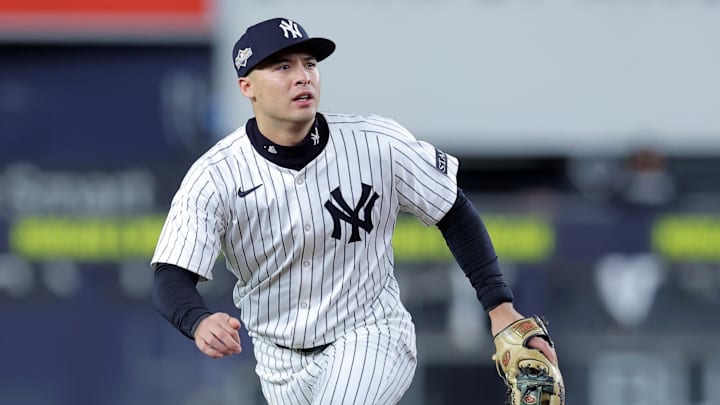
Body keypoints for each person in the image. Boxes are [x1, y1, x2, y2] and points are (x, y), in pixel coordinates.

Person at [151, 17, 558, 405]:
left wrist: (500, 307)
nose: (302, 76)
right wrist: (199, 321)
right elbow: (170, 276)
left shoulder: (376, 143)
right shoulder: (215, 175)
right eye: (282, 66)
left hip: (371, 336)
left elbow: (454, 212)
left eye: (310, 64)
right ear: (247, 87)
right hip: (278, 360)